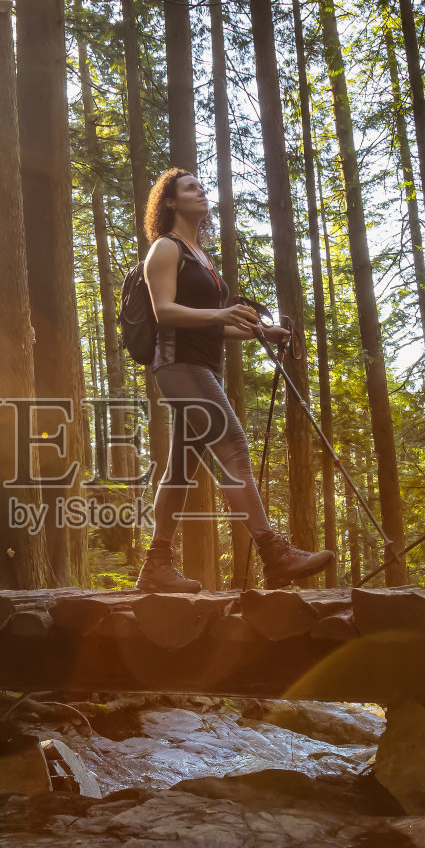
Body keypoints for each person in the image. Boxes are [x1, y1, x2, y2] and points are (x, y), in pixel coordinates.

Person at [133, 167, 334, 592]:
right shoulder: (165, 248)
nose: (201, 191)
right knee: (234, 448)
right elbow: (164, 311)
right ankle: (274, 554)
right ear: (170, 201)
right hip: (179, 366)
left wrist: (260, 331)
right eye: (190, 188)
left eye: (202, 186)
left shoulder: (200, 255)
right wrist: (222, 313)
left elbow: (209, 324)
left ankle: (155, 567)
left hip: (201, 366)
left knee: (179, 471)